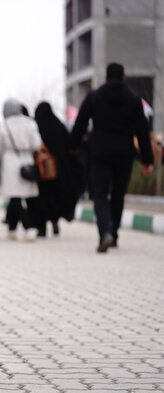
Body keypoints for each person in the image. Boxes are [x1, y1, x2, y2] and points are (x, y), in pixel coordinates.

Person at [70, 62, 153, 252]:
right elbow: (142, 131)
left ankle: (105, 232)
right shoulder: (134, 99)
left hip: (99, 153)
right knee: (118, 194)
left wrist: (73, 145)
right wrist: (147, 160)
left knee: (99, 194)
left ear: (106, 78)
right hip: (125, 154)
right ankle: (113, 233)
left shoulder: (94, 97)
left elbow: (80, 123)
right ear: (123, 78)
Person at [0, 98, 42, 241]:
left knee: (15, 197)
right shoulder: (30, 123)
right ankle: (12, 229)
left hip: (10, 160)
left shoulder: (4, 125)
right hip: (27, 159)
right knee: (20, 196)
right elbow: (37, 144)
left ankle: (29, 228)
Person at [34, 102, 76, 237]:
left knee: (41, 197)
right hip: (57, 169)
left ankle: (41, 227)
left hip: (41, 169)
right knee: (54, 196)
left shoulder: (36, 126)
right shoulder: (59, 126)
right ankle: (54, 220)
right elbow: (68, 146)